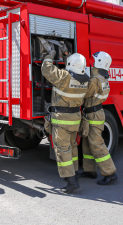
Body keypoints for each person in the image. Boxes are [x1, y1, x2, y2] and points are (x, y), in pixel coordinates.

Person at [42, 50, 89, 194]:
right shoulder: (85, 81)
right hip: (74, 120)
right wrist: (68, 56)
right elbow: (74, 69)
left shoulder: (64, 77)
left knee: (63, 150)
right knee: (72, 148)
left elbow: (46, 69)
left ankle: (71, 182)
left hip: (61, 121)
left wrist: (49, 55)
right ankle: (74, 175)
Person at [80, 51, 118, 185]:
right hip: (94, 113)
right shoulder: (102, 77)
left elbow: (84, 92)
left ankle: (110, 173)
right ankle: (89, 170)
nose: (92, 62)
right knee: (87, 142)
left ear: (99, 62)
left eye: (95, 60)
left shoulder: (96, 79)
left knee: (96, 144)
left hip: (93, 114)